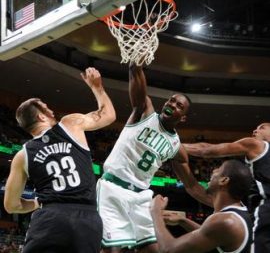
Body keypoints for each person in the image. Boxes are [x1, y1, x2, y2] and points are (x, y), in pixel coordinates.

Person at [4, 67, 116, 253]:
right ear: (41, 116)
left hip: (50, 217)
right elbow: (109, 116)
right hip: (86, 218)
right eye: (46, 108)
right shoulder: (70, 124)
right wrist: (97, 88)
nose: (51, 110)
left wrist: (38, 203)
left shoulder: (22, 155)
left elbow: (11, 205)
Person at [96, 63, 194, 253]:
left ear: (183, 118)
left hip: (141, 197)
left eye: (179, 106)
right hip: (114, 189)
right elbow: (139, 93)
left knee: (153, 250)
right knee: (111, 250)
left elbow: (187, 172)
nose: (172, 104)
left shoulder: (176, 146)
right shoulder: (145, 112)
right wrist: (136, 68)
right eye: (171, 100)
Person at [183, 122, 270, 253]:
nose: (255, 131)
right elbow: (195, 189)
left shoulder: (257, 145)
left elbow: (206, 150)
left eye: (262, 128)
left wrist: (173, 145)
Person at [150, 159, 253, 253]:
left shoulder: (227, 221)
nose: (213, 170)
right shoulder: (237, 210)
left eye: (219, 169)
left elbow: (168, 249)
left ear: (224, 180)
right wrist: (182, 220)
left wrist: (155, 211)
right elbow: (210, 233)